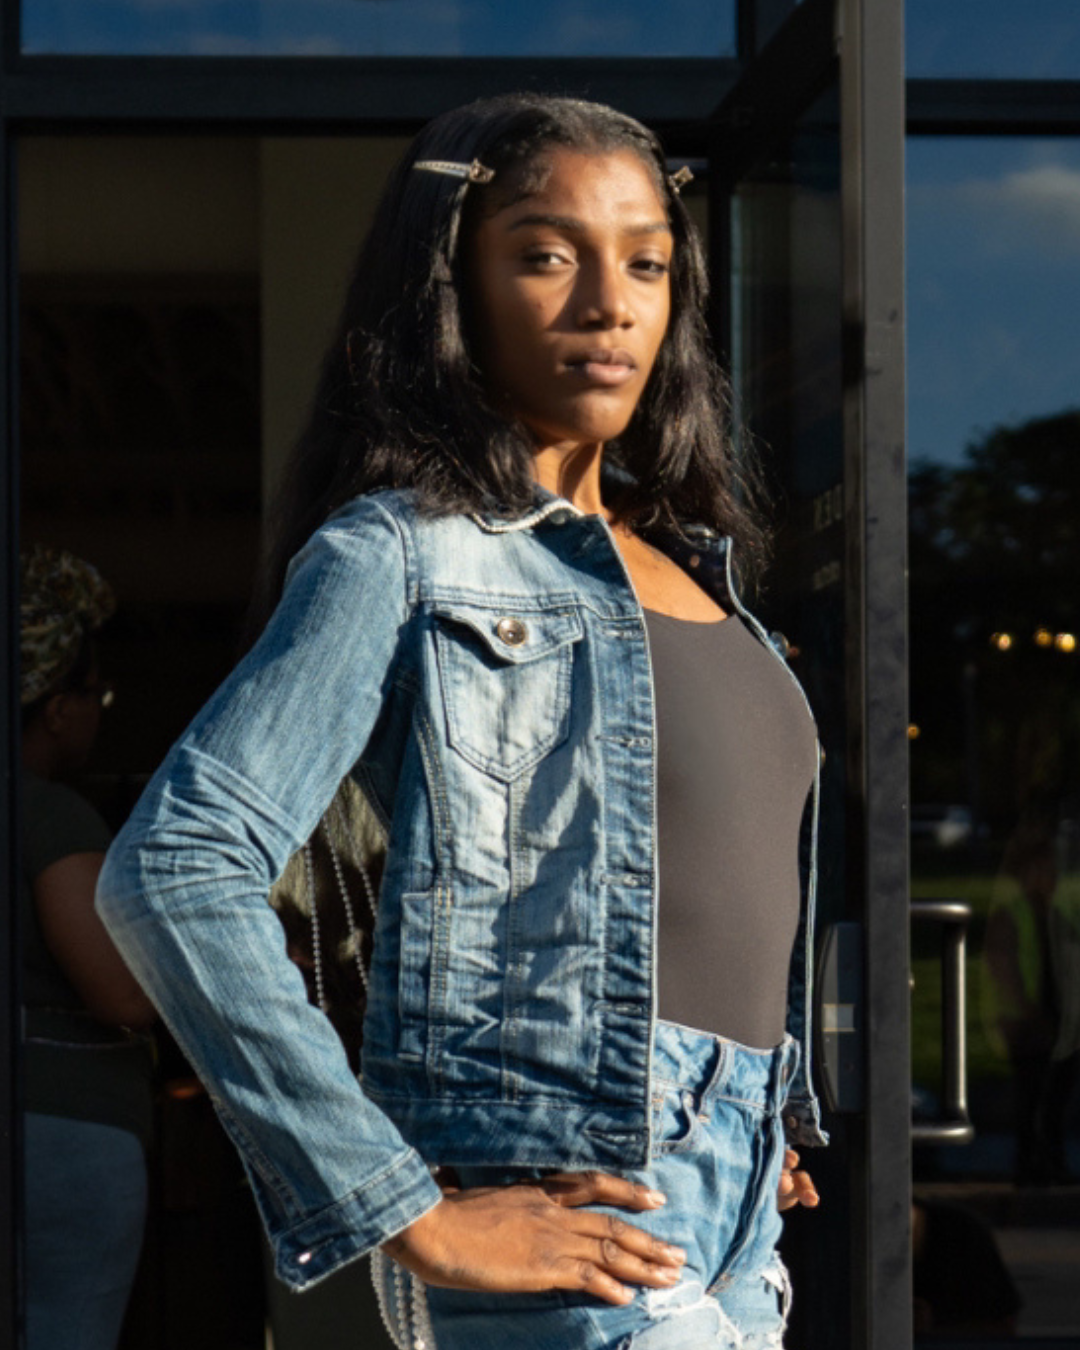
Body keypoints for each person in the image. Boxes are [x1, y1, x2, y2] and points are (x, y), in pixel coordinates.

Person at [97, 93, 826, 1350]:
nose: (608, 304)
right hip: (562, 1201)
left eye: (645, 263)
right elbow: (175, 869)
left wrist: (747, 1114)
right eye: (545, 256)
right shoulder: (404, 552)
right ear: (454, 288)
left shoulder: (700, 575)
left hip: (739, 1217)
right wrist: (407, 1211)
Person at [20, 545, 157, 1350]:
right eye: (95, 695)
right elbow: (119, 994)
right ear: (56, 708)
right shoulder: (48, 815)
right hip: (61, 1129)